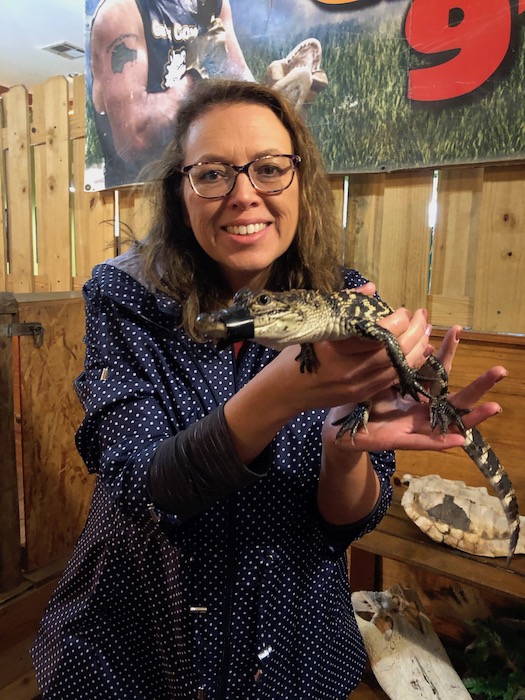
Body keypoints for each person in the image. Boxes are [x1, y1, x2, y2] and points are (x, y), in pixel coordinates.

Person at [32, 79, 505, 699]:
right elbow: (136, 489)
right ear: (182, 190)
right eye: (212, 174)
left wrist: (344, 449)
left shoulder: (349, 299)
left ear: (299, 181)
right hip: (138, 640)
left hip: (294, 648)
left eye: (269, 168)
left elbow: (345, 522)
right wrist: (278, 396)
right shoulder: (125, 297)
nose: (243, 194)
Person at [89, 0, 254, 188]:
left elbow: (247, 98)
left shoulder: (214, 4)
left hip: (209, 185)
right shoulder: (119, 11)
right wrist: (196, 74)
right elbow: (135, 138)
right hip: (140, 195)